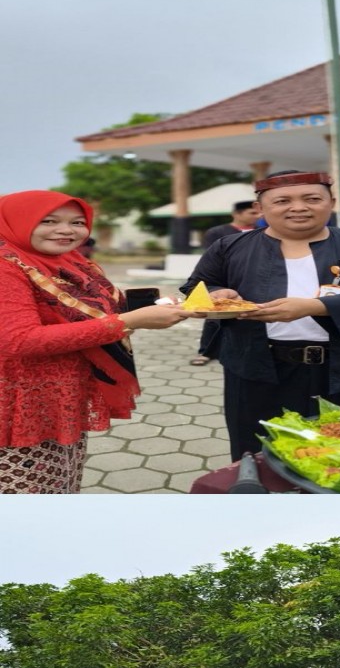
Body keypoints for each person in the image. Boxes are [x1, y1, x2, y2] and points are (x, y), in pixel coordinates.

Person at [180, 170, 340, 461]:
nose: (298, 207)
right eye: (283, 201)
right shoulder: (229, 246)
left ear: (331, 202)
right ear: (261, 208)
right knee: (258, 452)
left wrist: (315, 307)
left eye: (312, 199)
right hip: (255, 368)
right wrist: (218, 293)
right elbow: (196, 287)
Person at [0, 191, 194, 492]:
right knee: (27, 494)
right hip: (19, 402)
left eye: (77, 222)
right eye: (49, 221)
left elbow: (95, 311)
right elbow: (19, 340)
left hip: (62, 395)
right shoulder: (6, 266)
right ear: (16, 222)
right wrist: (128, 322)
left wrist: (170, 305)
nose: (66, 230)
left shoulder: (72, 261)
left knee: (62, 482)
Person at [190, 201, 261, 366]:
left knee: (250, 315)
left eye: (258, 213)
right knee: (214, 316)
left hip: (253, 280)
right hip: (224, 280)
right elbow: (210, 258)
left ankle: (244, 352)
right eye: (252, 213)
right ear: (236, 214)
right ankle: (206, 352)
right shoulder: (217, 232)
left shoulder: (262, 232)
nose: (257, 216)